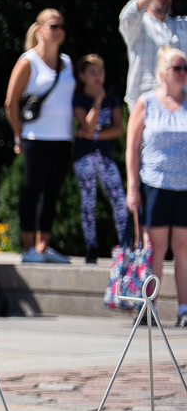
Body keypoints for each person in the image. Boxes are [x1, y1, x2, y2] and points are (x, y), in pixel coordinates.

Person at [6, 9, 75, 264]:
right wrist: (18, 133)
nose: (59, 31)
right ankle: (28, 248)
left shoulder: (67, 62)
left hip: (63, 137)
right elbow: (10, 102)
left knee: (53, 192)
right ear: (40, 30)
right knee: (31, 191)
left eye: (62, 27)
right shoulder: (28, 61)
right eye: (54, 26)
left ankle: (43, 245)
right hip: (35, 137)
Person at [126, 46, 187, 326]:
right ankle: (149, 307)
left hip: (184, 186)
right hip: (155, 184)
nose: (183, 73)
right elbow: (132, 147)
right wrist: (132, 186)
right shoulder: (146, 102)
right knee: (155, 248)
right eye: (177, 68)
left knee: (183, 247)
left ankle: (184, 310)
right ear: (163, 73)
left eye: (185, 68)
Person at [72, 54, 128, 263]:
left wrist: (94, 135)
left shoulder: (112, 100)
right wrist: (96, 100)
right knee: (88, 202)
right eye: (93, 72)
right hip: (84, 157)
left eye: (101, 72)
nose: (98, 76)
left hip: (105, 157)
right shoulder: (79, 100)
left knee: (119, 200)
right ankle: (91, 247)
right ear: (82, 76)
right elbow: (86, 124)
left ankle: (125, 244)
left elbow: (118, 130)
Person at [119, 0, 187, 106]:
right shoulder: (138, 26)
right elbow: (129, 13)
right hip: (146, 102)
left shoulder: (182, 24)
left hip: (181, 104)